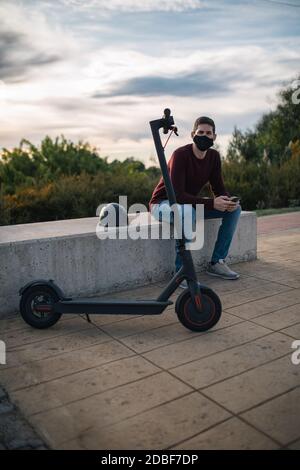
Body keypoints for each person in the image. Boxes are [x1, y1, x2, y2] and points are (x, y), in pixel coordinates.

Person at [149, 116, 241, 285]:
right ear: (193, 134)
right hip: (163, 204)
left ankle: (217, 262)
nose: (204, 136)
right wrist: (212, 203)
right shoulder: (180, 155)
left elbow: (218, 188)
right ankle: (182, 272)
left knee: (235, 209)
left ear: (214, 136)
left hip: (187, 205)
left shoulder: (213, 157)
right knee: (187, 211)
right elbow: (177, 195)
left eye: (208, 133)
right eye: (200, 132)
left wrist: (227, 200)